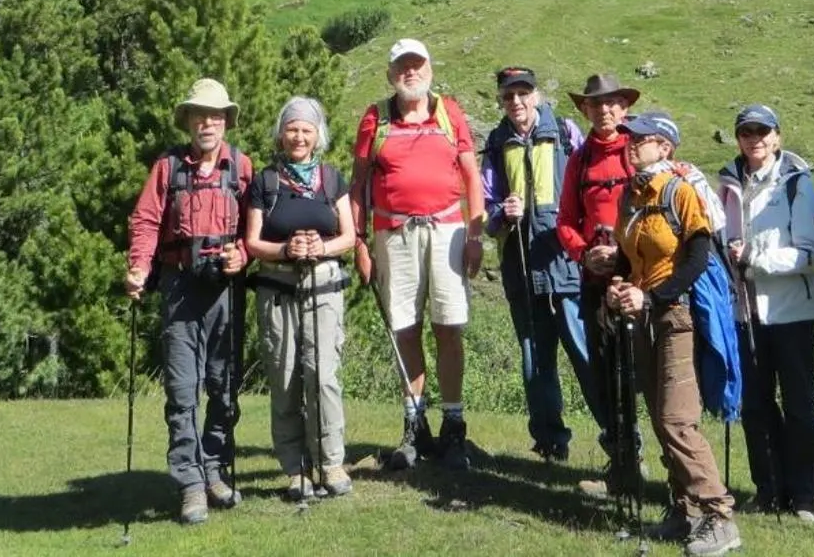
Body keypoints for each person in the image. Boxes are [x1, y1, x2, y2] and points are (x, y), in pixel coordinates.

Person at [608, 111, 740, 557]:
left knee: (676, 420)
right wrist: (618, 283)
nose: (630, 144)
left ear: (664, 147)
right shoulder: (630, 196)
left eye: (640, 138)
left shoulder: (680, 191)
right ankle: (685, 510)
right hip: (645, 317)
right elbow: (628, 256)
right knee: (660, 418)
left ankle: (719, 515)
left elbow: (699, 257)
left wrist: (652, 296)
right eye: (629, 138)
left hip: (677, 316)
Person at [352, 37, 486, 470]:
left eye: (417, 64)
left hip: (448, 231)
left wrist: (475, 235)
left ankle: (453, 426)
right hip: (393, 234)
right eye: (402, 66)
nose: (410, 72)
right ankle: (415, 425)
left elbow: (471, 176)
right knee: (404, 330)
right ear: (390, 74)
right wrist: (359, 243)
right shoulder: (375, 117)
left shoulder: (449, 112)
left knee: (449, 327)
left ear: (429, 69)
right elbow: (358, 184)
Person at [126, 77, 254, 525]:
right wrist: (139, 267)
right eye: (200, 115)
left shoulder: (241, 167)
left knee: (224, 386)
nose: (207, 123)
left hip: (225, 289)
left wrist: (244, 254)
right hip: (179, 287)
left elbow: (255, 226)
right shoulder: (168, 168)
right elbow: (146, 220)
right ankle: (191, 484)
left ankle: (214, 468)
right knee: (183, 389)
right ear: (188, 122)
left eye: (215, 116)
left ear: (225, 122)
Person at [480, 65, 606, 462]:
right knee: (536, 363)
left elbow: (589, 190)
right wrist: (502, 213)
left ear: (536, 95)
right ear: (501, 101)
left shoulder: (566, 133)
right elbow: (486, 211)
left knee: (587, 356)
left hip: (568, 267)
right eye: (508, 95)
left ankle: (619, 441)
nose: (516, 101)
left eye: (523, 93)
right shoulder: (496, 143)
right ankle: (551, 443)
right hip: (521, 268)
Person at [243, 96, 356, 501]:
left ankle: (331, 462)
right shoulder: (265, 182)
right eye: (292, 129)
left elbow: (349, 236)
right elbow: (252, 242)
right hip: (277, 289)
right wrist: (286, 250)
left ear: (317, 135)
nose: (299, 136)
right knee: (285, 377)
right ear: (281, 133)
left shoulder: (331, 179)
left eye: (307, 129)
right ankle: (296, 469)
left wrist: (320, 248)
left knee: (323, 377)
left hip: (323, 286)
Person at [718, 103, 814, 522]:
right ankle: (769, 491)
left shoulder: (797, 182)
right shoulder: (727, 183)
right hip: (745, 313)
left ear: (777, 137)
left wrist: (753, 258)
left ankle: (804, 498)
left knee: (799, 406)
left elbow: (809, 253)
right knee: (755, 406)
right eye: (746, 132)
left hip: (793, 312)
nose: (755, 139)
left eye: (762, 132)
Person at [557, 70, 642, 465]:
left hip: (639, 277)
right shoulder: (580, 159)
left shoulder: (639, 151)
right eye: (596, 104)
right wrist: (583, 254)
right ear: (585, 110)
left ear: (623, 108)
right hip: (595, 278)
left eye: (611, 102)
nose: (604, 110)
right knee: (605, 366)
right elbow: (565, 222)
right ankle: (622, 453)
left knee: (643, 368)